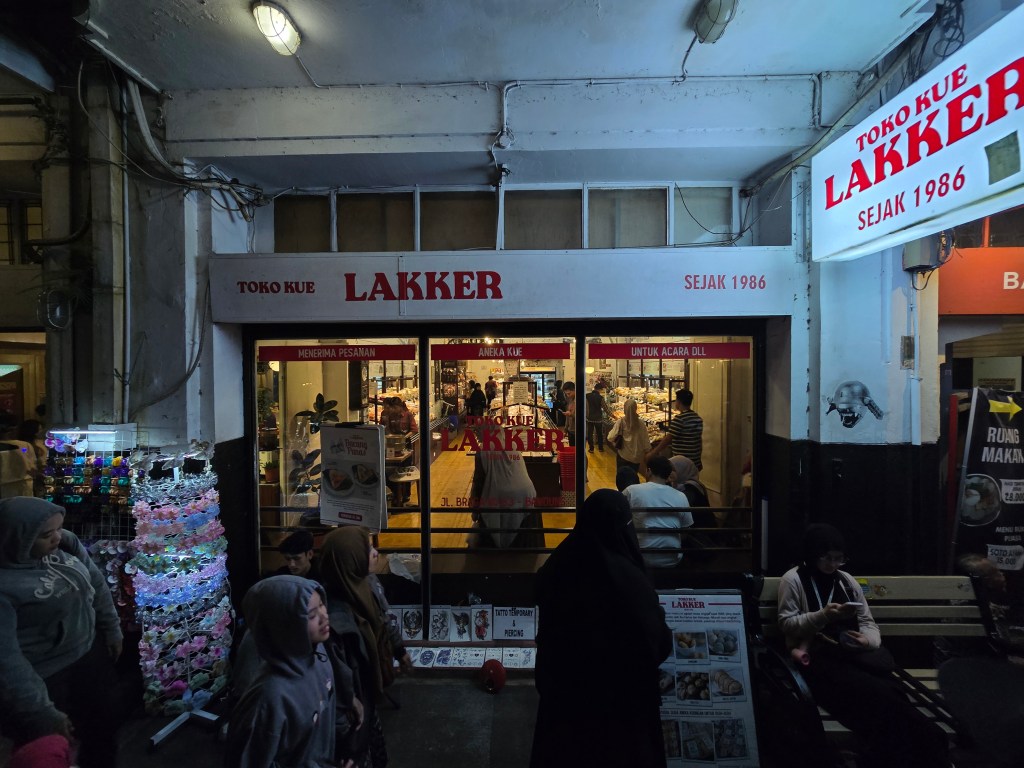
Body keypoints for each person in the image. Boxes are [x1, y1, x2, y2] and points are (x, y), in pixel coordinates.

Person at [777, 524, 951, 768]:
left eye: (839, 559)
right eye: (827, 558)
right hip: (816, 661)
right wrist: (823, 616)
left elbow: (868, 623)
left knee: (891, 692)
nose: (833, 565)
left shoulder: (846, 581)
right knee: (878, 695)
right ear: (812, 554)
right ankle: (933, 746)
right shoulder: (794, 579)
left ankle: (913, 752)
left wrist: (866, 640)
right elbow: (787, 624)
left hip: (851, 656)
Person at [530, 489, 672, 768]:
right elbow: (655, 643)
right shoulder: (629, 582)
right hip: (621, 713)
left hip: (565, 707)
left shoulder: (559, 566)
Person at [0, 497, 124, 768]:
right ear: (18, 538)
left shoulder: (65, 543)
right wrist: (40, 710)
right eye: (46, 534)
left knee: (103, 727)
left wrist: (111, 627)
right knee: (50, 747)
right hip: (46, 675)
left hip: (89, 653)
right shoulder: (6, 586)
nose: (57, 537)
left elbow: (96, 584)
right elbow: (7, 661)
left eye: (58, 528)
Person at [224, 575, 346, 768]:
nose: (325, 616)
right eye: (312, 615)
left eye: (322, 605)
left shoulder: (318, 654)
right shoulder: (268, 698)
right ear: (285, 624)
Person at [319, 526, 411, 768]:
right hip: (353, 722)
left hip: (367, 705)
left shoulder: (366, 585)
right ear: (349, 559)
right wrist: (348, 745)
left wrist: (398, 650)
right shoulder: (332, 620)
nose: (374, 553)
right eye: (366, 549)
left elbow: (383, 619)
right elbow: (338, 686)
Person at [468, 429, 542, 548]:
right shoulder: (511, 445)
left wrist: (474, 510)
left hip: (501, 497)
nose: (476, 433)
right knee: (523, 548)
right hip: (526, 494)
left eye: (478, 430)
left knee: (494, 545)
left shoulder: (482, 451)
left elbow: (478, 482)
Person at [621, 456, 693, 568]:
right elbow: (685, 532)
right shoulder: (681, 496)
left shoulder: (632, 490)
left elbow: (620, 520)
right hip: (673, 558)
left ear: (649, 471)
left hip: (640, 557)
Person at [647, 388, 703, 471]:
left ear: (679, 402)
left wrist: (652, 453)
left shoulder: (679, 419)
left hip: (682, 463)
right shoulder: (697, 418)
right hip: (695, 461)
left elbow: (668, 439)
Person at [607, 397, 651, 471]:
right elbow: (645, 440)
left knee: (622, 478)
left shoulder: (621, 422)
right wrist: (648, 452)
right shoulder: (641, 424)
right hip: (637, 457)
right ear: (635, 408)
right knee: (633, 477)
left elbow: (610, 437)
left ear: (624, 409)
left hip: (623, 455)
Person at [584, 382, 614, 453]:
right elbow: (605, 408)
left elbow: (585, 406)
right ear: (600, 390)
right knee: (599, 433)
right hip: (598, 418)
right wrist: (613, 415)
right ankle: (601, 448)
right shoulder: (600, 398)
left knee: (590, 433)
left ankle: (591, 448)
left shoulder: (587, 396)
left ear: (594, 388)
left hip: (589, 418)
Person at [561, 382, 577, 447]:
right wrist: (565, 430)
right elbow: (568, 417)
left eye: (569, 393)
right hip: (570, 431)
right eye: (566, 394)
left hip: (578, 432)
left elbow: (585, 418)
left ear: (574, 390)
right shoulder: (570, 401)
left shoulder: (582, 401)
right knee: (572, 451)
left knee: (579, 453)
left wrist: (571, 415)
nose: (568, 395)